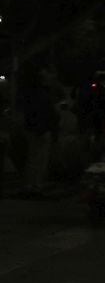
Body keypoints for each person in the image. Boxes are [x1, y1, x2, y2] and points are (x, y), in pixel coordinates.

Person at [17, 69, 57, 198]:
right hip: (43, 129)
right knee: (41, 159)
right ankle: (36, 185)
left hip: (32, 129)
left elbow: (25, 112)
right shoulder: (44, 95)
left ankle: (29, 184)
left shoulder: (28, 94)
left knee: (32, 158)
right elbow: (51, 113)